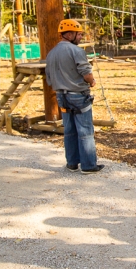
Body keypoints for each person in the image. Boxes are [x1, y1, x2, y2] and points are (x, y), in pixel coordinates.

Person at [45, 19, 104, 174]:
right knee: (85, 130)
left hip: (61, 96)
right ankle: (88, 165)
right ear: (69, 34)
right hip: (78, 96)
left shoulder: (51, 53)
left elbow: (49, 78)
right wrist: (92, 81)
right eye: (79, 34)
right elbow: (86, 72)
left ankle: (72, 163)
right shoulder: (76, 51)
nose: (80, 37)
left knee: (69, 130)